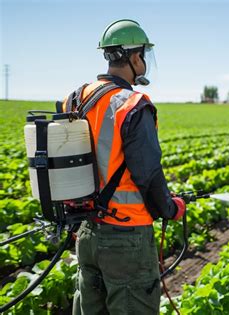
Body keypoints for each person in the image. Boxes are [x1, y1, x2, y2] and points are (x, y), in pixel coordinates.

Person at [68, 19, 186, 314]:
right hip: (126, 238)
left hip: (87, 232)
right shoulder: (131, 104)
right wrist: (169, 208)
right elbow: (147, 173)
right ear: (135, 57)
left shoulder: (76, 98)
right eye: (144, 55)